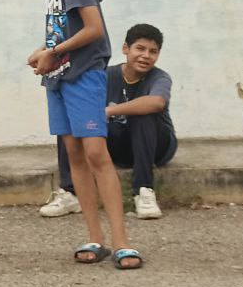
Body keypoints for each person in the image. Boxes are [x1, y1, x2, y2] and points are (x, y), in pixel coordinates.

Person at [27, 0, 143, 269]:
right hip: (59, 77)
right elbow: (67, 33)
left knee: (96, 154)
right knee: (74, 153)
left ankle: (122, 241)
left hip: (82, 76)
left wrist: (55, 52)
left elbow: (94, 29)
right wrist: (44, 51)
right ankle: (95, 237)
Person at [40, 23, 176, 220]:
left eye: (153, 52)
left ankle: (144, 192)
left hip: (156, 146)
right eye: (140, 48)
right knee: (70, 122)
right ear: (125, 49)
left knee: (143, 114)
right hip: (117, 145)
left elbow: (156, 102)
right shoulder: (105, 75)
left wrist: (108, 111)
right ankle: (71, 193)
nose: (146, 56)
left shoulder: (159, 77)